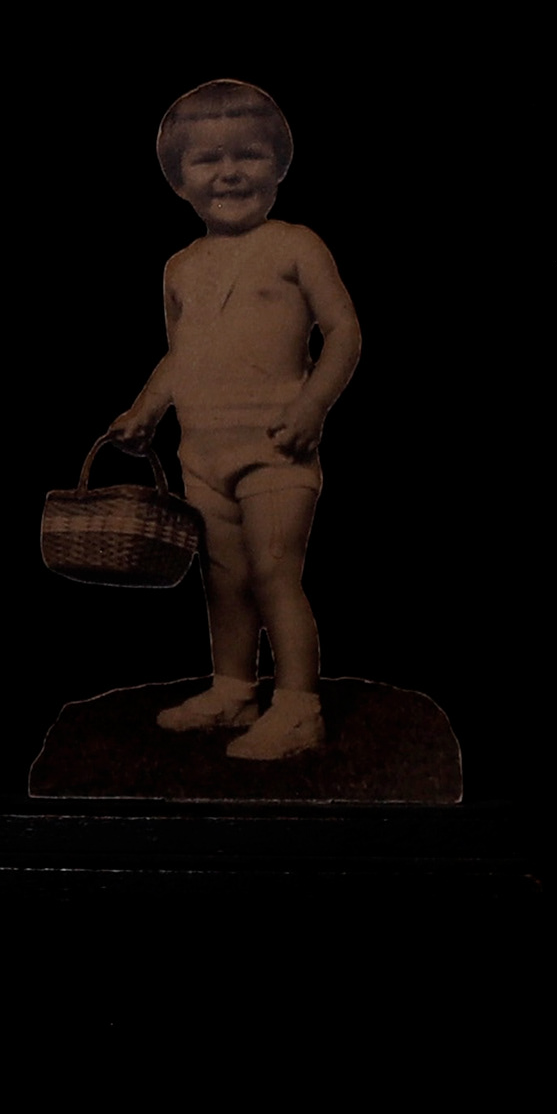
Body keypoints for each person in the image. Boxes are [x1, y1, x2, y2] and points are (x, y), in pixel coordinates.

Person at [103, 80, 360, 760]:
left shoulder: (296, 245)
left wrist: (311, 407)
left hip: (277, 445)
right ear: (177, 181)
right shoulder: (180, 267)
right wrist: (144, 409)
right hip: (201, 453)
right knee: (222, 578)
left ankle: (299, 708)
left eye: (248, 154)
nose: (230, 173)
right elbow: (180, 355)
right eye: (208, 160)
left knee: (274, 571)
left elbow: (344, 334)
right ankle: (233, 690)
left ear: (280, 164)